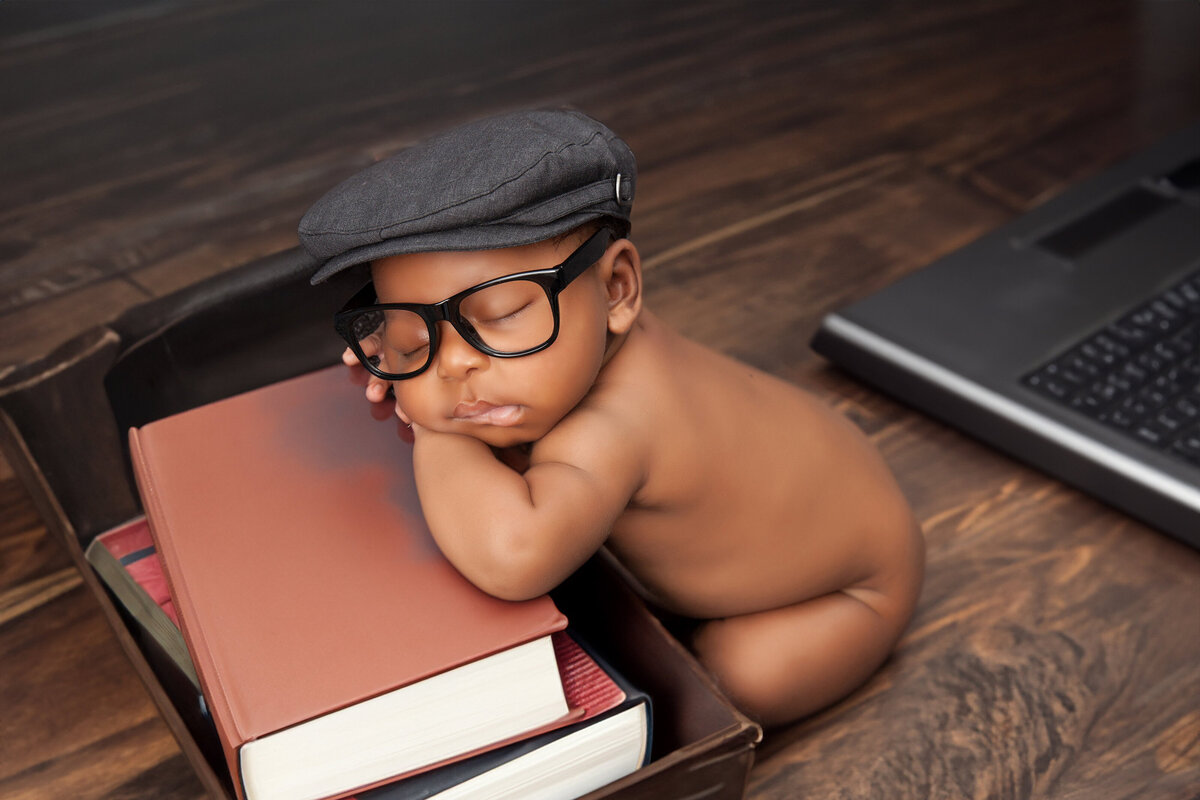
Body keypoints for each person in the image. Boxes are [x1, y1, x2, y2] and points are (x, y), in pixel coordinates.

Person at [298, 109, 924, 727]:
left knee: (738, 678)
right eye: (412, 338)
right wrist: (406, 357)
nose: (454, 363)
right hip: (820, 476)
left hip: (846, 590)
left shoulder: (617, 423)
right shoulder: (577, 349)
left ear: (618, 288)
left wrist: (432, 425)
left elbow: (514, 557)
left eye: (503, 315)